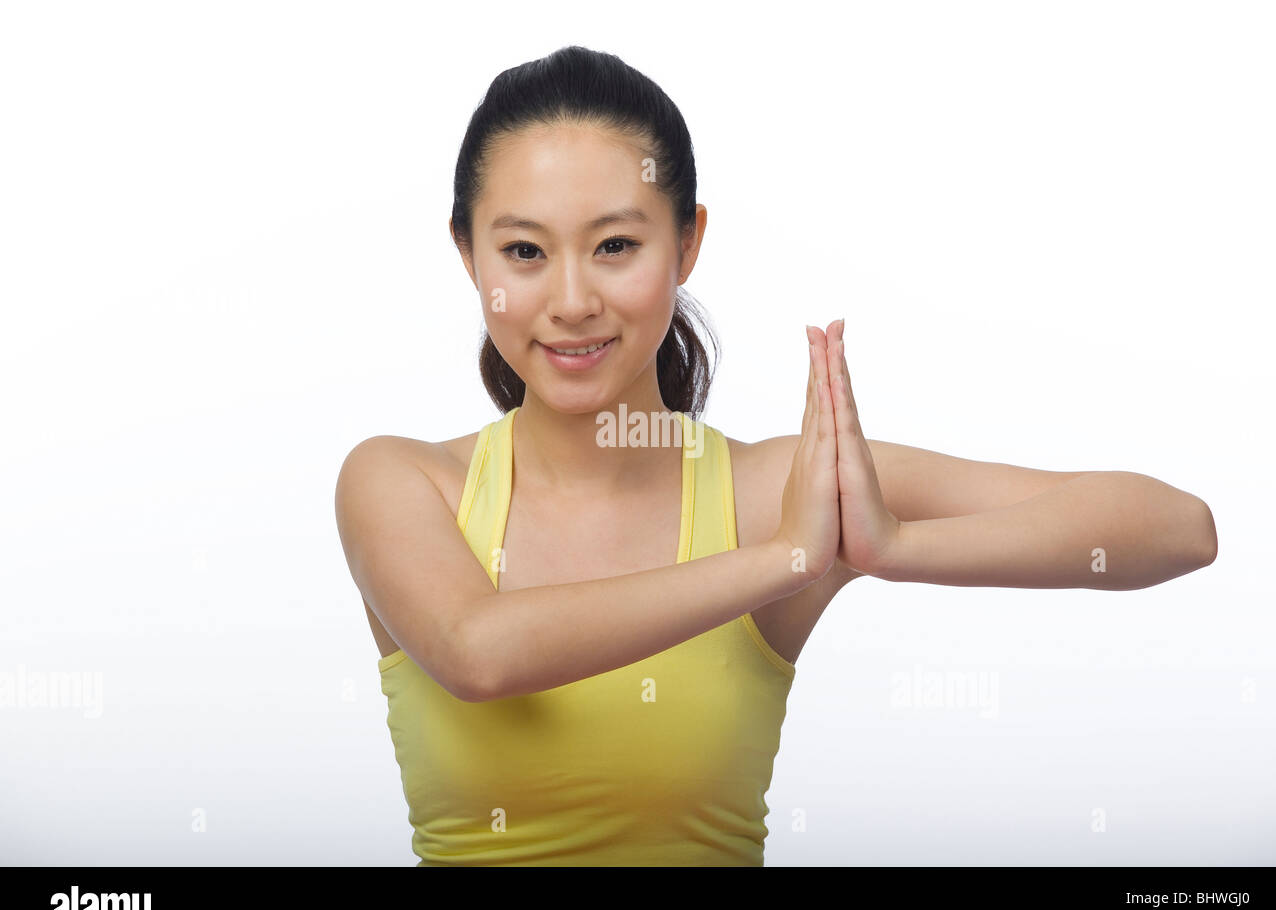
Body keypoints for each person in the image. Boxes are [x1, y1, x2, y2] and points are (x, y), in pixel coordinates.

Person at [333, 45, 1218, 866]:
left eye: (616, 246)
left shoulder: (770, 492)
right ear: (467, 252)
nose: (571, 299)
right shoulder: (404, 484)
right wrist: (785, 561)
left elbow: (1179, 529)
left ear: (687, 242)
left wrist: (892, 547)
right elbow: (478, 654)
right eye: (524, 251)